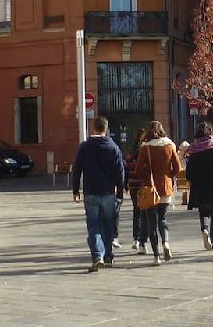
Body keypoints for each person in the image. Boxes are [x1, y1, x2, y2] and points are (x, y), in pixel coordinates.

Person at [71, 116, 125, 272]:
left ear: (93, 128)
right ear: (106, 129)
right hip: (108, 192)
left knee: (93, 225)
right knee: (108, 224)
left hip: (91, 192)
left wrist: (75, 190)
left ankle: (97, 256)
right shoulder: (113, 147)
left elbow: (77, 169)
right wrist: (120, 192)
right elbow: (119, 172)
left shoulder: (85, 147)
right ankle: (108, 256)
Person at [136, 120, 181, 266]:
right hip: (165, 189)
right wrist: (169, 176)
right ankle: (166, 243)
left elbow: (137, 170)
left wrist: (146, 177)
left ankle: (156, 256)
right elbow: (177, 167)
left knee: (151, 223)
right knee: (163, 219)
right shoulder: (169, 146)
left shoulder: (145, 148)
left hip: (150, 189)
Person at [185, 121, 213, 252]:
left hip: (199, 186)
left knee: (203, 211)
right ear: (210, 132)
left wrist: (190, 180)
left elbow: (190, 171)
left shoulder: (193, 148)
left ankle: (205, 228)